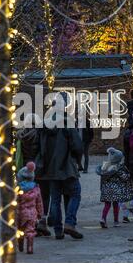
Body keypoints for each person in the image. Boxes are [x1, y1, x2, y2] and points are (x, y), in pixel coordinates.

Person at [36, 98, 84, 240]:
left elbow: (39, 146)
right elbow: (77, 145)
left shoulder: (44, 124)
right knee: (75, 193)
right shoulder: (67, 121)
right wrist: (77, 160)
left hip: (49, 167)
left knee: (55, 199)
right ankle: (69, 223)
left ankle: (58, 230)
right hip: (66, 165)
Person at [16, 114, 50, 237]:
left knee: (28, 198)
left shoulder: (21, 136)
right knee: (42, 197)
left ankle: (29, 224)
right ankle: (41, 222)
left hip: (25, 169)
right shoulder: (39, 134)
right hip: (39, 168)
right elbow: (43, 151)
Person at [96, 147, 133, 228]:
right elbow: (124, 178)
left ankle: (103, 219)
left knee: (107, 205)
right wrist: (130, 175)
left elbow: (102, 178)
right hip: (116, 191)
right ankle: (116, 221)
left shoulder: (105, 166)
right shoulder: (118, 168)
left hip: (106, 190)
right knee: (115, 206)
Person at [16, 162, 43, 254]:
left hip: (20, 213)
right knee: (30, 230)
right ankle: (30, 247)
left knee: (19, 229)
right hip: (32, 213)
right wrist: (40, 213)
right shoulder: (36, 188)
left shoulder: (17, 189)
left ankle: (20, 244)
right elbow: (39, 202)